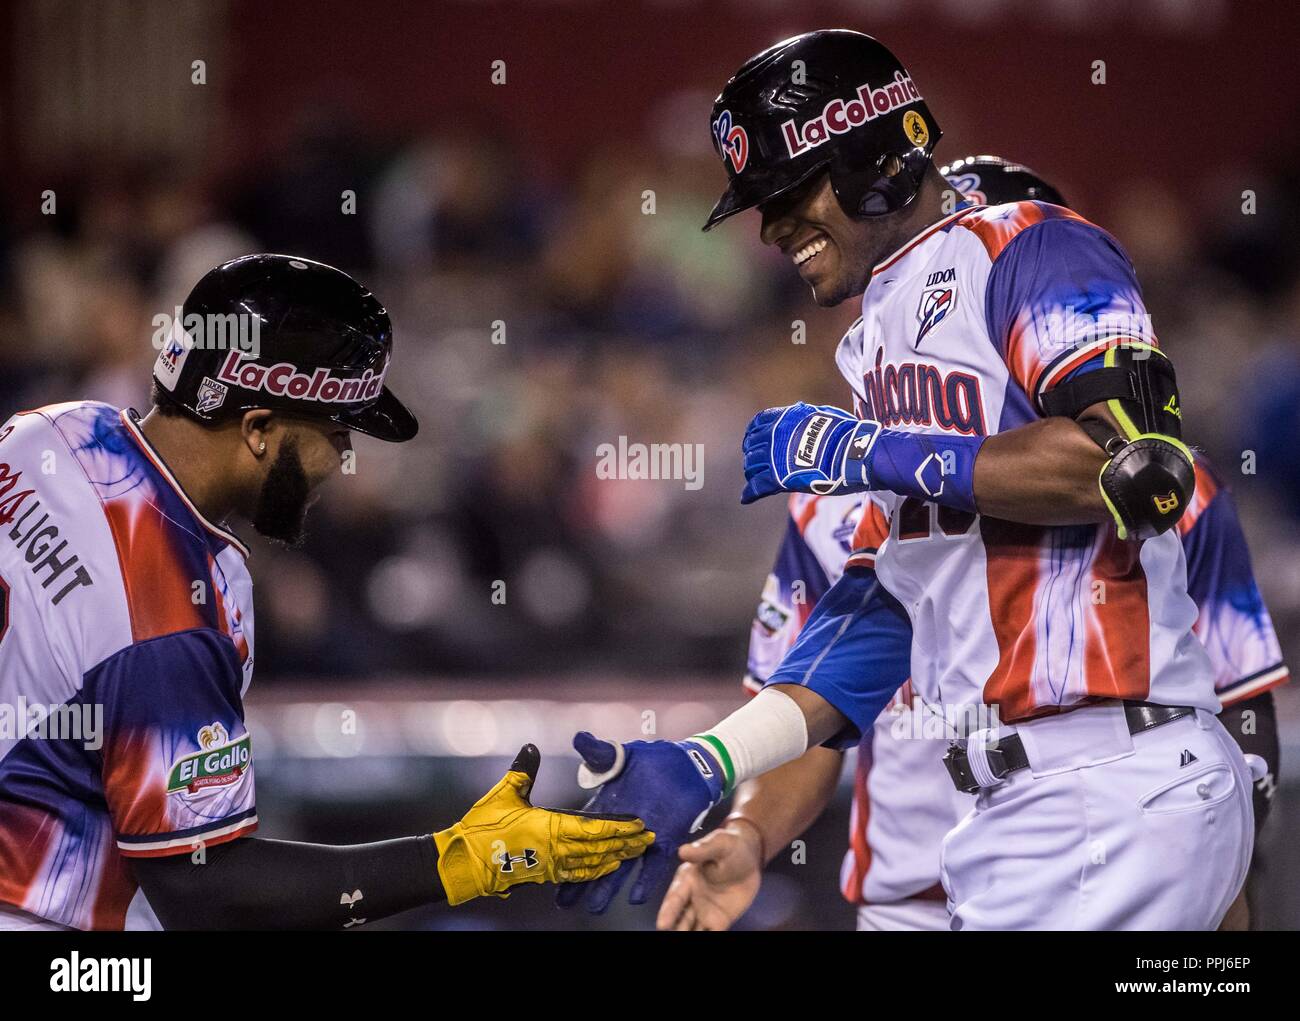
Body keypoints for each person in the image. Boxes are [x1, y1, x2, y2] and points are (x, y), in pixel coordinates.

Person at [559, 32, 1255, 930]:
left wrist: (866, 452)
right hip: (1026, 805)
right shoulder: (879, 333)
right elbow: (885, 610)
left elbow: (1139, 467)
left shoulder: (1031, 242)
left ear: (870, 159)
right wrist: (713, 762)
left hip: (1101, 781)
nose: (771, 229)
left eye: (788, 193)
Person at [0, 254, 651, 931]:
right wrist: (461, 860)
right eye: (336, 434)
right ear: (257, 428)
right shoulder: (172, 617)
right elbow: (208, 891)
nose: (342, 462)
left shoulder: (53, 431)